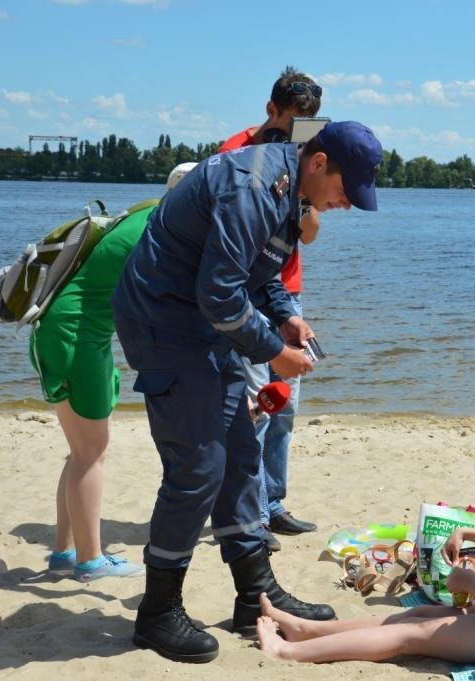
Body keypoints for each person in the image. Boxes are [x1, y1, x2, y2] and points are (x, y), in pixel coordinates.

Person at [112, 121, 383, 664]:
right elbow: (219, 293)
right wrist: (274, 351)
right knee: (198, 467)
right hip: (165, 323)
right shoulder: (253, 187)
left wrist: (285, 316)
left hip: (204, 323)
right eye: (345, 190)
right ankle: (158, 612)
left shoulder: (288, 187)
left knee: (239, 457)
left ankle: (255, 596)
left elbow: (258, 271)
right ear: (319, 162)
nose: (347, 203)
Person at [254, 405, 475, 668]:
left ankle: (285, 652)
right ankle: (307, 631)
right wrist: (466, 531)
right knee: (414, 615)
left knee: (411, 633)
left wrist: (467, 582)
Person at [30, 163, 195, 583]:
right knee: (91, 451)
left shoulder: (146, 215)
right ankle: (90, 561)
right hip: (76, 334)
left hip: (67, 329)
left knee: (81, 450)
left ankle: (65, 552)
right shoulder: (158, 232)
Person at [219, 65, 325, 549]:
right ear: (271, 109)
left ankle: (273, 502)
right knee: (257, 403)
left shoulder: (304, 159)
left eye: (307, 125)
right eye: (291, 121)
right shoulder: (235, 151)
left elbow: (310, 234)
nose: (295, 133)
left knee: (285, 406)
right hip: (245, 291)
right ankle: (253, 513)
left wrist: (301, 199)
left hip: (286, 292)